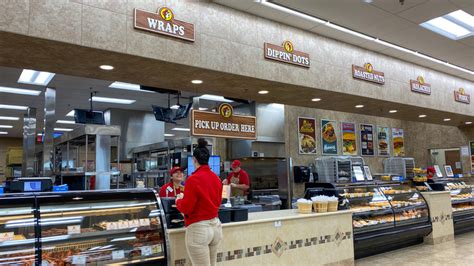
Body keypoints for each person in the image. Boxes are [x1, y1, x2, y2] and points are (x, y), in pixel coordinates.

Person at [176, 139, 223, 266]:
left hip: (199, 229)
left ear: (194, 160)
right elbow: (218, 202)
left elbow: (186, 207)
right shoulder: (217, 178)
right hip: (216, 228)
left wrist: (178, 201)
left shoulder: (193, 179)